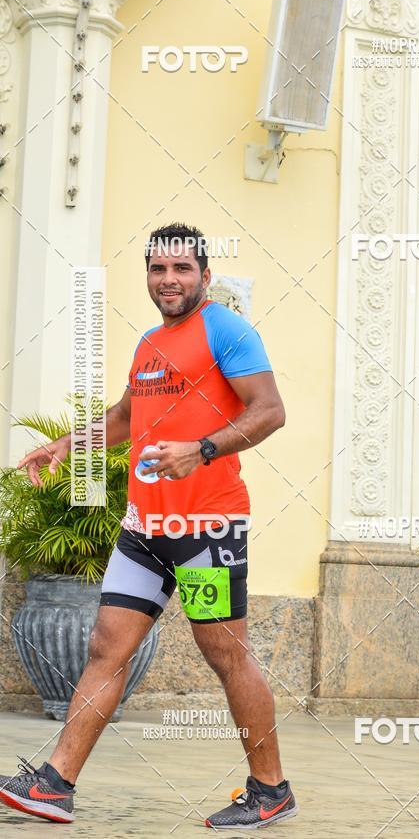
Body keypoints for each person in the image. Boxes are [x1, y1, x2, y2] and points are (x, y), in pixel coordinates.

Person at [0, 223, 297, 830]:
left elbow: (270, 411)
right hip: (145, 530)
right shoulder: (149, 345)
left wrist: (202, 449)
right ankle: (55, 785)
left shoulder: (226, 330)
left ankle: (271, 790)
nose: (169, 280)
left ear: (205, 275)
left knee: (225, 654)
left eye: (182, 269)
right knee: (105, 648)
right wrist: (68, 445)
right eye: (158, 269)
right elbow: (124, 417)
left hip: (207, 527)